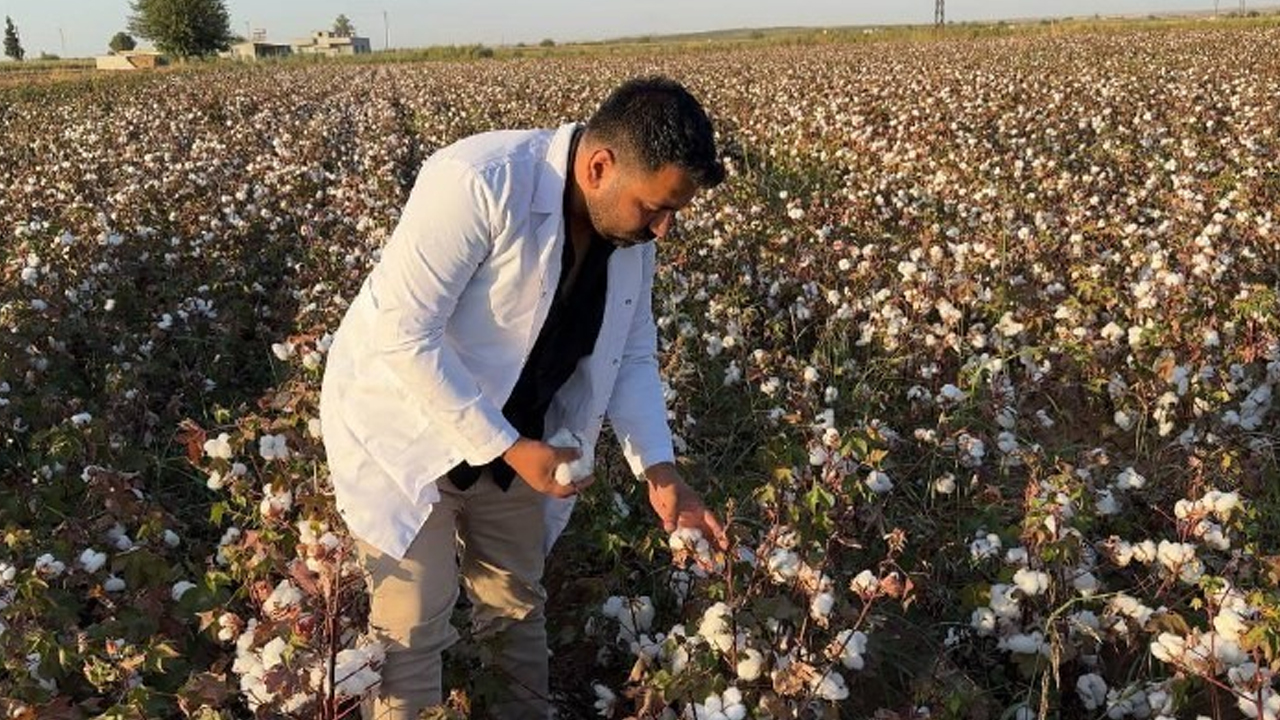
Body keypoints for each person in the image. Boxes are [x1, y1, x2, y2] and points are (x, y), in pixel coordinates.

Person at [318, 76, 729, 720]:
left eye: (673, 211)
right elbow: (404, 336)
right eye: (654, 207)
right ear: (600, 167)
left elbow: (631, 354)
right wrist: (508, 448)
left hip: (521, 440)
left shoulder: (630, 239)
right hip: (406, 430)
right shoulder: (477, 181)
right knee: (414, 622)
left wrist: (661, 469)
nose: (664, 228)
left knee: (514, 608)